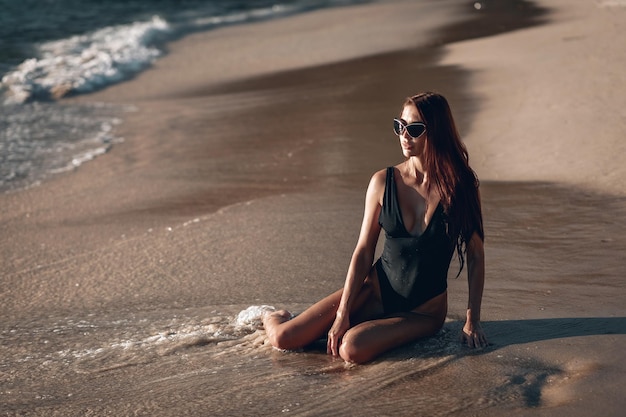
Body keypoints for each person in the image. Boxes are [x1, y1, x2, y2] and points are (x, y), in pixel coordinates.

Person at [262, 92, 487, 364]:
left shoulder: (460, 187)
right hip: (374, 291)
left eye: (414, 129)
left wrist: (471, 319)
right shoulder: (383, 182)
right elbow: (364, 251)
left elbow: (475, 254)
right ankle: (272, 317)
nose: (404, 135)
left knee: (351, 349)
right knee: (283, 339)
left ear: (436, 131)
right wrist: (343, 311)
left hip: (423, 312)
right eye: (399, 126)